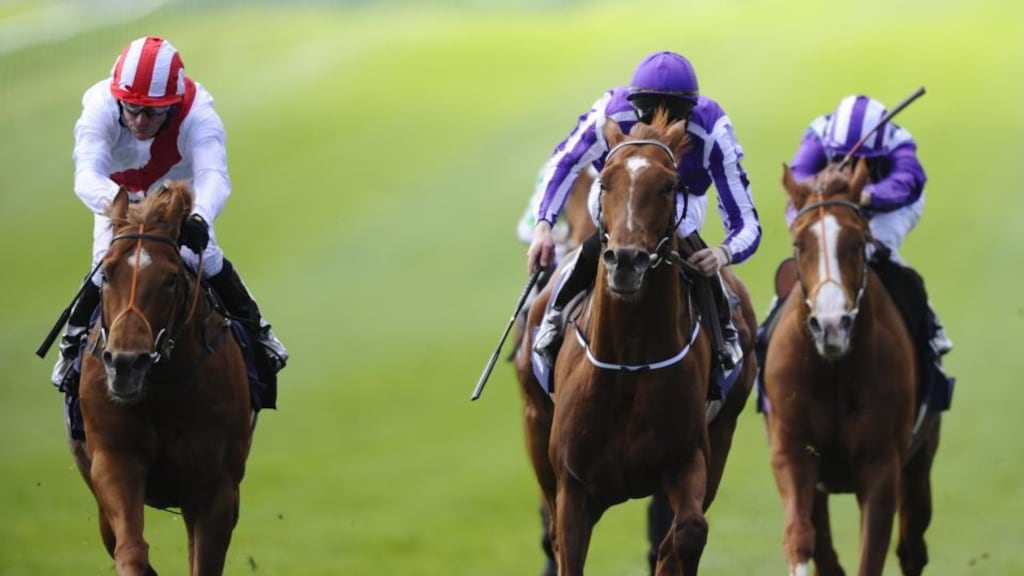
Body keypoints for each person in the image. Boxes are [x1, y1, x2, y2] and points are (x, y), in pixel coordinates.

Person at [51, 36, 289, 431]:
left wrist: (199, 217)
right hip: (118, 198)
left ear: (173, 105)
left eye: (153, 113)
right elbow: (86, 176)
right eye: (133, 110)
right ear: (118, 99)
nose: (140, 121)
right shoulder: (98, 106)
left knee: (203, 257)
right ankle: (73, 342)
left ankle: (258, 333)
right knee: (105, 266)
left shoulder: (199, 113)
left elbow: (213, 176)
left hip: (174, 191)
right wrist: (125, 209)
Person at [527, 50, 761, 373]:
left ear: (690, 111)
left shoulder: (713, 129)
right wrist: (543, 225)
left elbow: (747, 223)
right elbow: (565, 161)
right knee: (609, 224)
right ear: (634, 105)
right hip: (619, 187)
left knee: (679, 224)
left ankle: (723, 328)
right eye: (648, 113)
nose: (658, 123)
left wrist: (722, 254)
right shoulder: (609, 112)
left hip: (679, 194)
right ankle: (557, 311)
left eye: (673, 114)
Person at [760, 94, 952, 409]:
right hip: (829, 205)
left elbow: (907, 183)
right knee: (817, 249)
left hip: (889, 208)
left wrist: (863, 195)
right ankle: (773, 319)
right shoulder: (818, 135)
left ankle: (929, 327)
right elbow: (799, 181)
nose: (850, 166)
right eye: (843, 159)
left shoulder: (899, 142)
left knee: (877, 250)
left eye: (864, 161)